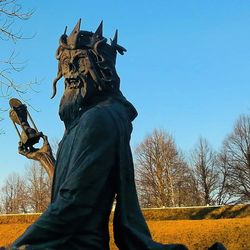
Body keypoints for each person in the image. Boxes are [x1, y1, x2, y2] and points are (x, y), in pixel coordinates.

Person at [12, 20, 189, 250]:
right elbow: (76, 190)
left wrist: (19, 245)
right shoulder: (80, 125)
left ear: (103, 70)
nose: (71, 72)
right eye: (66, 63)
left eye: (81, 61)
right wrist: (44, 157)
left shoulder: (98, 120)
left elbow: (75, 203)